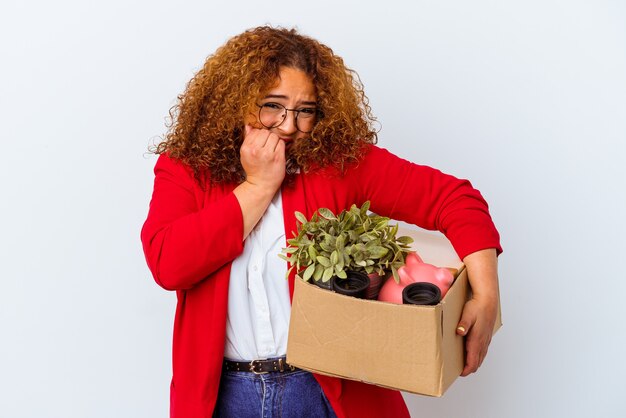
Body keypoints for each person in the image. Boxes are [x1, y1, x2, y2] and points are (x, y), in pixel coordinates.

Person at [141, 25, 502, 418]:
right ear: (236, 99)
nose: (289, 126)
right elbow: (168, 263)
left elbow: (455, 199)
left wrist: (485, 296)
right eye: (272, 105)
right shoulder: (187, 168)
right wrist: (259, 186)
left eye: (304, 111)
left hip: (329, 393)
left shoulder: (338, 164)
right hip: (224, 398)